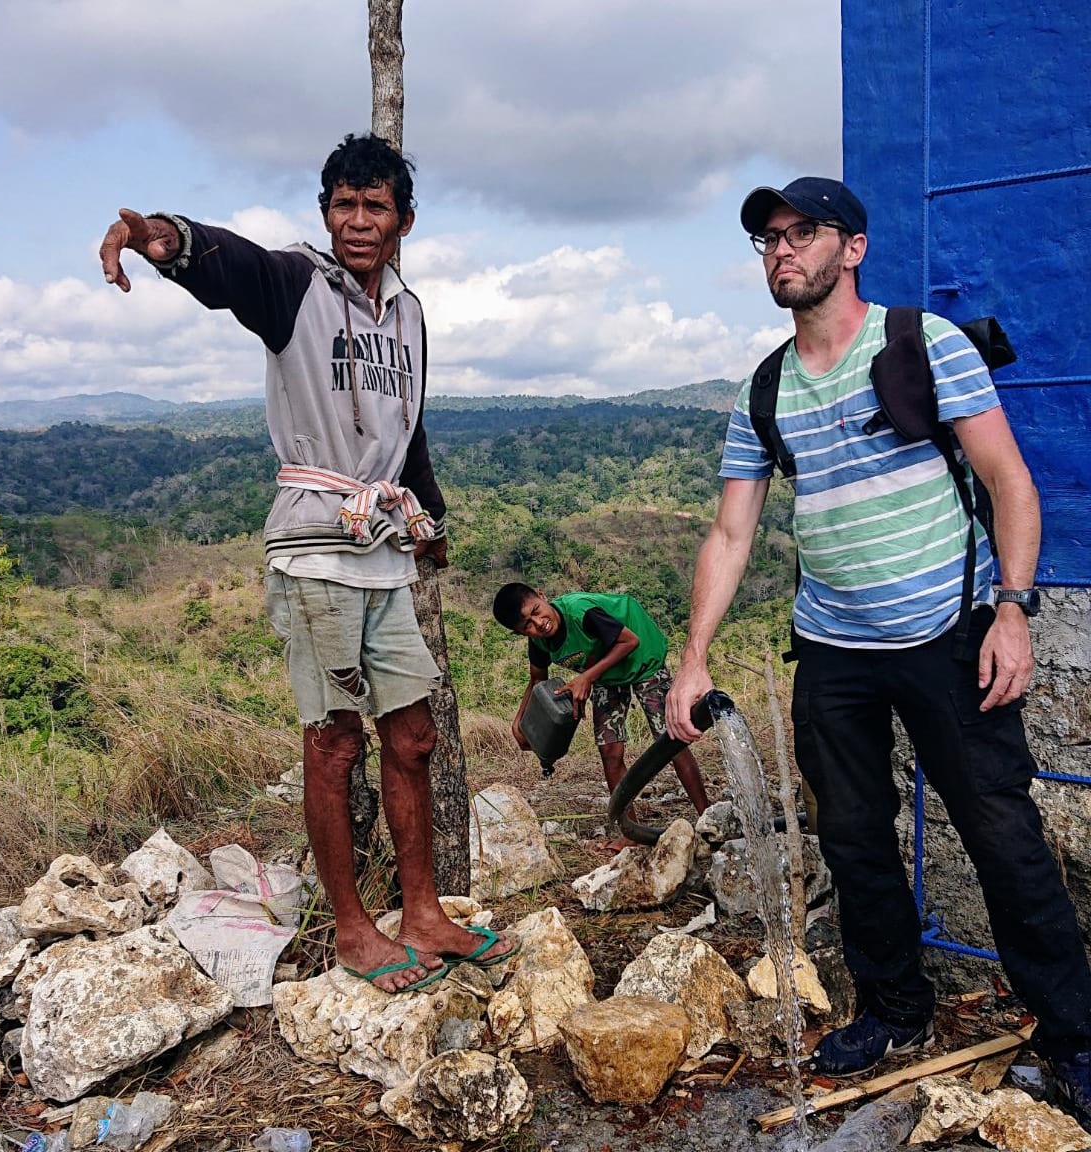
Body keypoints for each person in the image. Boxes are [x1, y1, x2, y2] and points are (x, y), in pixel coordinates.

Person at [665, 177, 1091, 1125]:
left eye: (801, 233)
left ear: (851, 248)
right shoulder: (765, 388)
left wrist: (1013, 611)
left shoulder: (923, 345)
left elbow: (1008, 479)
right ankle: (896, 1011)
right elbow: (731, 534)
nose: (782, 251)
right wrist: (693, 656)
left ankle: (1072, 1036)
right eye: (768, 240)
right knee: (855, 840)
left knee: (1003, 836)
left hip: (950, 635)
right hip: (833, 651)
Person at [100, 133, 514, 993]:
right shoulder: (297, 284)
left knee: (414, 734)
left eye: (375, 207)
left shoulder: (408, 313)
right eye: (343, 205)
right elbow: (228, 266)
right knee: (333, 744)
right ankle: (357, 933)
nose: (358, 222)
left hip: (384, 550)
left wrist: (430, 521)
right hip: (315, 548)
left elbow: (410, 427)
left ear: (404, 220)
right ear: (325, 212)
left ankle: (425, 911)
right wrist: (162, 237)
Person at [494, 583, 708, 849]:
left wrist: (586, 677)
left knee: (672, 740)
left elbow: (629, 641)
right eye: (527, 625)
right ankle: (631, 833)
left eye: (537, 611)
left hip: (642, 659)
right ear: (519, 632)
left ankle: (707, 817)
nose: (539, 624)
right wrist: (519, 720)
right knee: (609, 751)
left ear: (542, 595)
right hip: (606, 673)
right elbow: (538, 678)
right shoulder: (539, 641)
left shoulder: (580, 612)